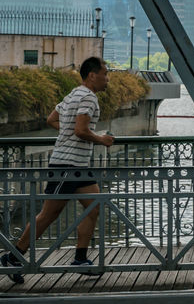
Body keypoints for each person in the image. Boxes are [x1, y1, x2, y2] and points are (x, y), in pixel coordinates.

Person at [2, 57, 115, 283]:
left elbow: (52, 118)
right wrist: (101, 140)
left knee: (94, 206)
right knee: (48, 215)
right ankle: (15, 257)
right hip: (67, 166)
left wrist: (69, 131)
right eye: (105, 73)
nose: (107, 78)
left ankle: (80, 258)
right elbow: (81, 130)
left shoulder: (73, 94)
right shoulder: (88, 97)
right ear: (92, 75)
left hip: (78, 166)